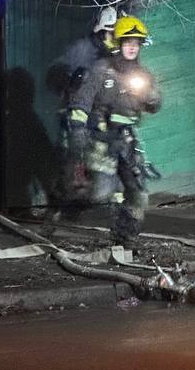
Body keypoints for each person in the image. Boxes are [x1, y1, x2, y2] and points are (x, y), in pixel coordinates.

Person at [69, 15, 161, 247]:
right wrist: (79, 131)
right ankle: (71, 202)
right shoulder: (102, 70)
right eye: (128, 42)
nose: (132, 47)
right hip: (102, 139)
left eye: (136, 43)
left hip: (127, 140)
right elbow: (82, 101)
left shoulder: (142, 75)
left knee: (138, 192)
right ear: (118, 43)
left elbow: (155, 105)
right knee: (103, 192)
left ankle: (128, 235)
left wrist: (151, 97)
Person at [52, 6, 118, 202]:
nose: (113, 37)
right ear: (102, 31)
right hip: (78, 110)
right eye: (110, 32)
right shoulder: (82, 49)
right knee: (75, 150)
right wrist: (71, 80)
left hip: (104, 113)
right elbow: (58, 72)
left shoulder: (118, 56)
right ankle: (65, 194)